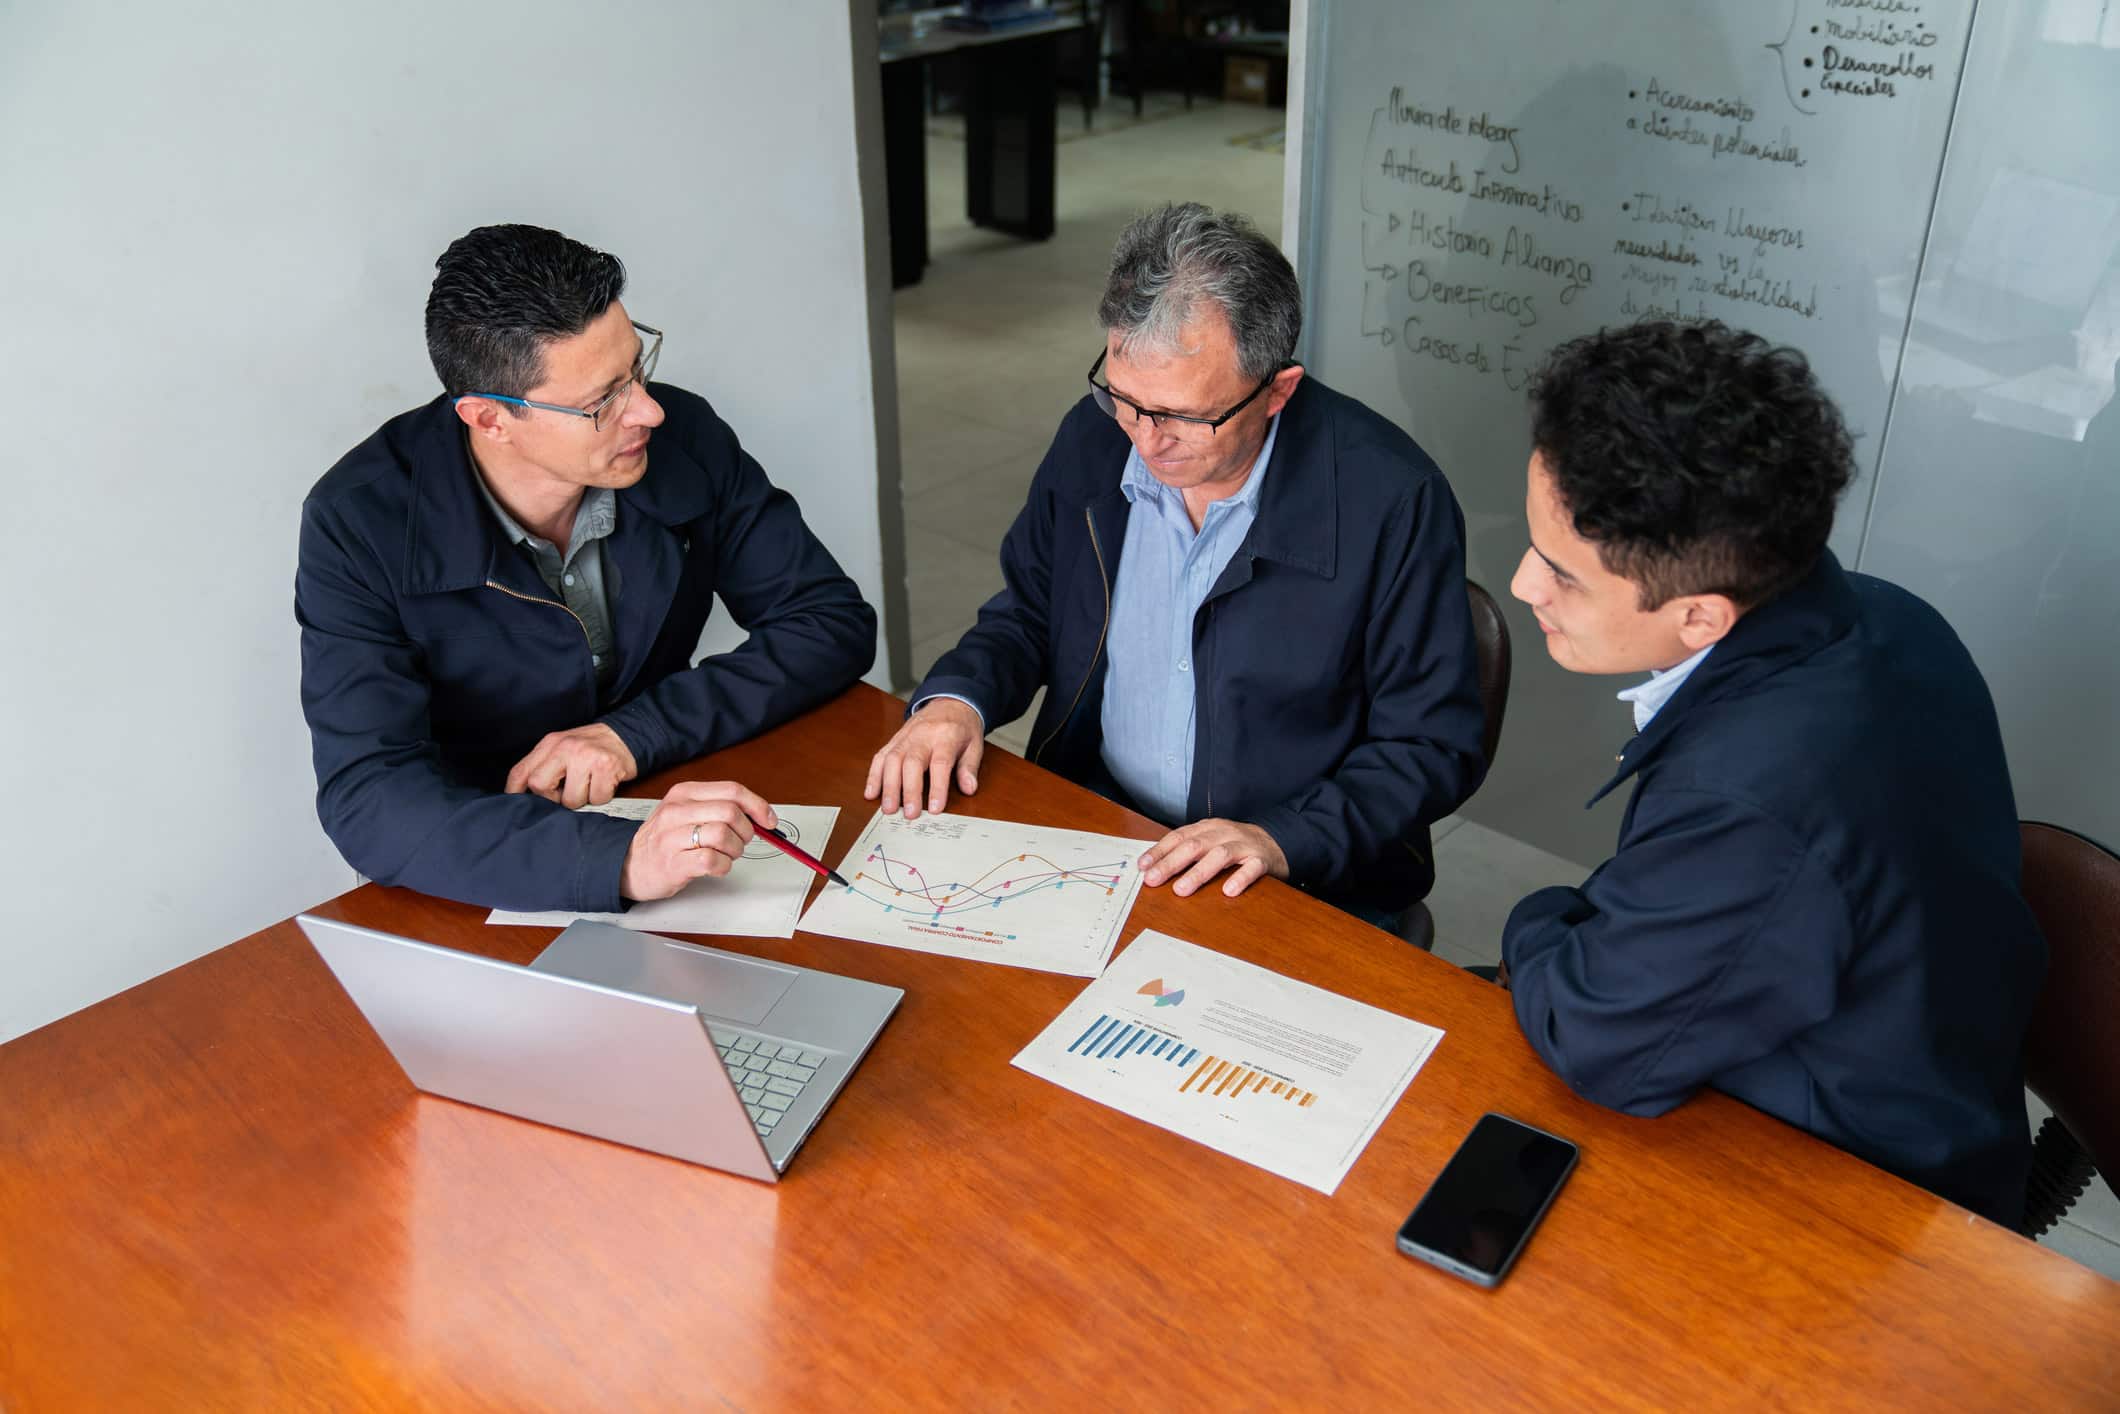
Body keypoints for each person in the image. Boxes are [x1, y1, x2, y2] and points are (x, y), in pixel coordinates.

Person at [1500, 318, 2046, 1226]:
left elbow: (1600, 1039)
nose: (1525, 585)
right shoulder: (1889, 617)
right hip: (1909, 1087)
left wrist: (1538, 919)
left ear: (1703, 617)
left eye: (1565, 575)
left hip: (1853, 1204)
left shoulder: (1757, 798)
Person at [866, 203, 1487, 920]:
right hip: (1103, 827)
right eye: (1128, 401)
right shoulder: (1095, 438)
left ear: (1277, 390)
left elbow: (1431, 743)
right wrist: (955, 700)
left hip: (1291, 873)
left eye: (1186, 417)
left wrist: (1284, 838)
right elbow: (1031, 611)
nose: (1147, 442)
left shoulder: (1393, 499)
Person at [297, 224, 876, 911]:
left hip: (666, 796)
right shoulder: (358, 521)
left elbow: (829, 620)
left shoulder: (682, 437)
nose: (649, 410)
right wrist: (621, 860)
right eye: (602, 401)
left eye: (638, 367)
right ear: (489, 419)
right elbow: (371, 797)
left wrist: (635, 735)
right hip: (484, 859)